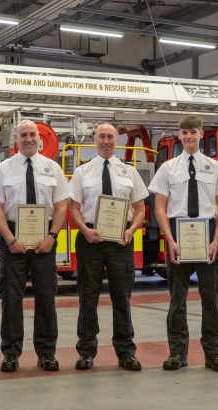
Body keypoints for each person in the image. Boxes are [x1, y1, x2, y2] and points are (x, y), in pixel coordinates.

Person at [0, 120, 72, 372]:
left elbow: (62, 205)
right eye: (23, 134)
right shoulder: (4, 169)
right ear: (16, 139)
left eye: (32, 134)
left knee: (46, 297)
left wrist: (52, 236)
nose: (28, 138)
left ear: (40, 138)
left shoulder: (52, 168)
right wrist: (9, 239)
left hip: (45, 238)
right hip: (13, 238)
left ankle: (46, 352)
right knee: (11, 298)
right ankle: (11, 353)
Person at [147, 115, 218, 372]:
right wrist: (169, 240)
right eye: (184, 132)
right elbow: (160, 208)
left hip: (206, 235)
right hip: (178, 235)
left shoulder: (215, 167)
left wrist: (216, 239)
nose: (189, 136)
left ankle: (213, 354)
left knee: (210, 300)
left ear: (201, 134)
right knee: (177, 300)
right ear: (179, 136)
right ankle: (177, 354)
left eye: (193, 131)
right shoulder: (168, 168)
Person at [69, 123, 148, 371]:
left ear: (117, 140)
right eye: (101, 136)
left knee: (121, 298)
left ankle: (126, 352)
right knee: (88, 298)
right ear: (94, 140)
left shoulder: (129, 171)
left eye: (110, 137)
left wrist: (132, 229)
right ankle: (86, 352)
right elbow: (73, 208)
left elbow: (140, 208)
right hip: (90, 239)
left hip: (120, 240)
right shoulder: (82, 172)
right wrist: (85, 230)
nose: (106, 141)